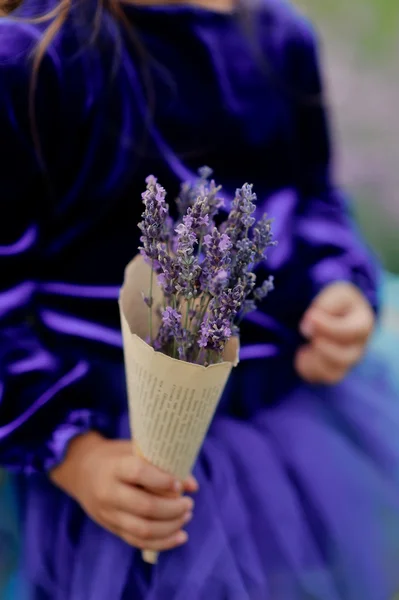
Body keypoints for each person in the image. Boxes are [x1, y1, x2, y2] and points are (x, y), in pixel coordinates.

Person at [1, 0, 399, 597]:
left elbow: (313, 197)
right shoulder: (35, 57)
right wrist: (75, 455)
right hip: (107, 441)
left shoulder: (279, 34)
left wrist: (338, 285)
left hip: (283, 417)